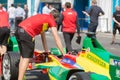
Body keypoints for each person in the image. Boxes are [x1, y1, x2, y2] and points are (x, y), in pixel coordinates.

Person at [15, 9, 65, 80]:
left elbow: (43, 35)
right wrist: (63, 54)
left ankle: (21, 77)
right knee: (26, 58)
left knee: (23, 57)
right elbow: (56, 38)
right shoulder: (51, 20)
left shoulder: (44, 17)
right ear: (56, 18)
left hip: (19, 30)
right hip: (27, 33)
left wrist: (46, 51)